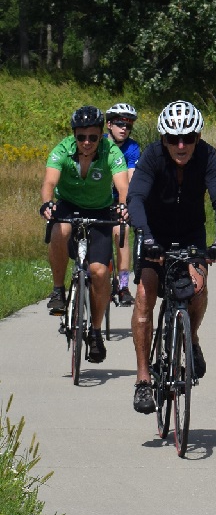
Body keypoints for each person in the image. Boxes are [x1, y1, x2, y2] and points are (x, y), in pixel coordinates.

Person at [126, 101, 216, 415]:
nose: (181, 144)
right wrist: (144, 235)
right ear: (163, 139)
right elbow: (135, 197)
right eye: (174, 138)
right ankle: (144, 379)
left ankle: (192, 337)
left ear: (198, 136)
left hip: (189, 235)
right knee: (145, 293)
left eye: (188, 137)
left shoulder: (207, 156)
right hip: (153, 234)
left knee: (197, 286)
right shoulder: (152, 157)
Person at [39, 105, 130, 364]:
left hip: (100, 211)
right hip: (68, 206)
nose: (87, 142)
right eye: (81, 137)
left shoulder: (111, 152)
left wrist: (124, 205)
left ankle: (96, 332)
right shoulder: (62, 150)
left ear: (101, 135)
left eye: (93, 137)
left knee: (100, 272)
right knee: (61, 228)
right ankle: (58, 291)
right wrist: (47, 203)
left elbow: (123, 185)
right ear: (74, 136)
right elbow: (49, 183)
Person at [104, 102, 141, 306]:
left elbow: (129, 181)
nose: (124, 128)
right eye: (119, 123)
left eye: (128, 125)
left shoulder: (132, 148)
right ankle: (103, 279)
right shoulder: (98, 143)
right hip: (98, 200)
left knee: (122, 233)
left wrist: (124, 204)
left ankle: (123, 286)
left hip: (119, 199)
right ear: (109, 124)